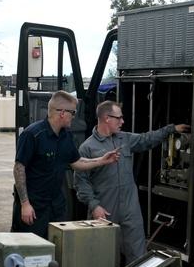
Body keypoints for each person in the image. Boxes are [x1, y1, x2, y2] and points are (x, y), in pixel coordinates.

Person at [75, 101, 190, 267]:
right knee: (103, 257)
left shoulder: (125, 139)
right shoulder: (87, 148)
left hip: (129, 207)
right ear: (107, 119)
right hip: (104, 209)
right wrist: (94, 206)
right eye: (119, 117)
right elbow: (81, 183)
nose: (123, 121)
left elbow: (148, 139)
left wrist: (171, 129)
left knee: (138, 253)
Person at [12, 90, 121, 238]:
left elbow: (76, 162)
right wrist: (25, 204)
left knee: (57, 251)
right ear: (63, 113)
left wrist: (102, 160)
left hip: (56, 208)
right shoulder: (33, 135)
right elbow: (19, 169)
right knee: (32, 253)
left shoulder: (66, 136)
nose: (74, 117)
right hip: (34, 208)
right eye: (73, 112)